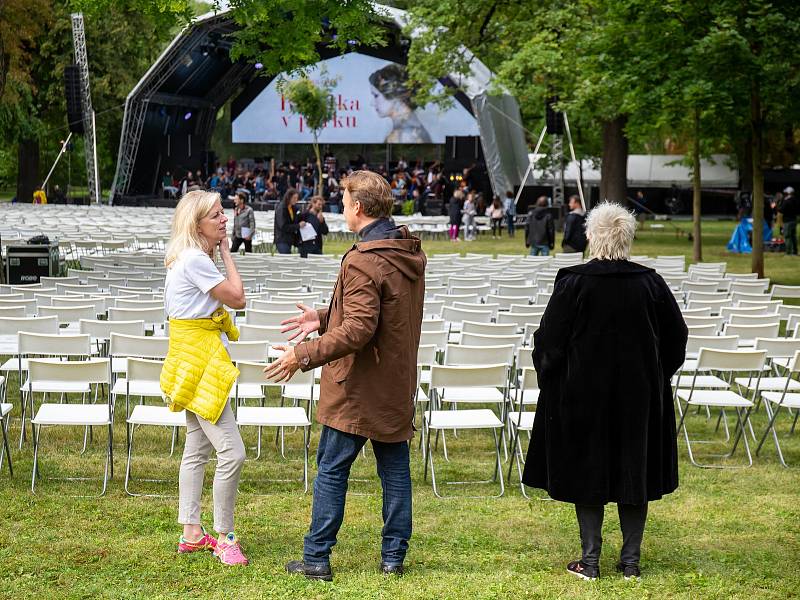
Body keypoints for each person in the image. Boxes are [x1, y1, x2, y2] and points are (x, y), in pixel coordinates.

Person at [265, 170, 426, 581]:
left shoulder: (364, 259)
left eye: (343, 198)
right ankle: (393, 558)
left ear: (358, 206)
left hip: (358, 386)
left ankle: (316, 558)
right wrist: (321, 317)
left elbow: (359, 329)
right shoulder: (403, 249)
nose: (339, 204)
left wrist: (301, 355)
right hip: (395, 382)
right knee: (394, 472)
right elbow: (376, 313)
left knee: (332, 470)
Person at [522, 202, 687, 581]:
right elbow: (676, 338)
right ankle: (630, 561)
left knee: (589, 470)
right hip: (639, 397)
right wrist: (656, 376)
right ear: (627, 237)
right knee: (635, 470)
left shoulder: (574, 282)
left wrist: (553, 379)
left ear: (591, 236)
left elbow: (549, 343)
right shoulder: (651, 283)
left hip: (583, 395)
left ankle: (591, 560)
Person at [160, 190, 249, 566]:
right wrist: (227, 252)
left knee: (196, 449)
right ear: (197, 224)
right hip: (199, 362)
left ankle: (191, 532)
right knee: (233, 451)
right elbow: (238, 298)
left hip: (190, 359)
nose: (224, 219)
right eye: (216, 216)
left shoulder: (189, 257)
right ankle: (226, 536)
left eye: (223, 213)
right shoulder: (196, 259)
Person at [369, 64, 432, 144]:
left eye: (376, 95)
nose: (372, 103)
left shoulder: (407, 135)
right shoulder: (407, 130)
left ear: (395, 94)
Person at [274, 188, 306, 254]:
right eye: (294, 198)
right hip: (282, 239)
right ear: (289, 197)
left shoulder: (293, 208)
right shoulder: (281, 208)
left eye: (297, 198)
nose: (296, 200)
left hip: (291, 238)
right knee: (286, 255)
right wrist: (298, 226)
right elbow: (283, 226)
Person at [780, 186, 797, 256]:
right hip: (794, 220)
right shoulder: (796, 200)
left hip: (787, 221)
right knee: (793, 236)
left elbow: (781, 210)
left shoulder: (786, 201)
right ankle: (795, 251)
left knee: (787, 236)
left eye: (786, 193)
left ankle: (788, 252)